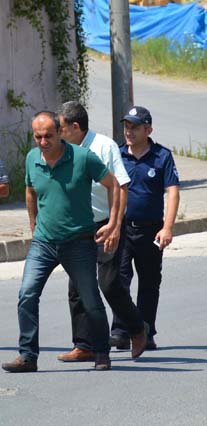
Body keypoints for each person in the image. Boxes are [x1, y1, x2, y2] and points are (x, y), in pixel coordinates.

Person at [1, 111, 119, 373]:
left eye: (48, 136)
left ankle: (101, 352)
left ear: (60, 133)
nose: (43, 142)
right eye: (38, 137)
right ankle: (27, 356)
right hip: (44, 242)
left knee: (90, 299)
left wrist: (113, 223)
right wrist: (33, 223)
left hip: (78, 241)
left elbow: (113, 185)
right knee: (27, 294)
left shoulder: (82, 157)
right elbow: (30, 191)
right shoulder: (32, 158)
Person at [56, 101, 148, 362]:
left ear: (75, 127)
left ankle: (137, 327)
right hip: (78, 227)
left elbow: (122, 187)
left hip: (106, 223)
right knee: (77, 287)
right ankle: (84, 345)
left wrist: (115, 226)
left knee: (108, 284)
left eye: (61, 128)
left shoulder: (104, 146)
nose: (57, 133)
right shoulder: (63, 151)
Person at [114, 106, 180, 350]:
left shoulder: (162, 156)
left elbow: (173, 192)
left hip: (151, 230)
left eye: (134, 127)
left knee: (149, 283)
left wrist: (168, 228)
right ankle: (121, 331)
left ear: (148, 130)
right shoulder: (117, 154)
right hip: (121, 228)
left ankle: (146, 331)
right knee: (118, 281)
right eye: (126, 126)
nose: (129, 132)